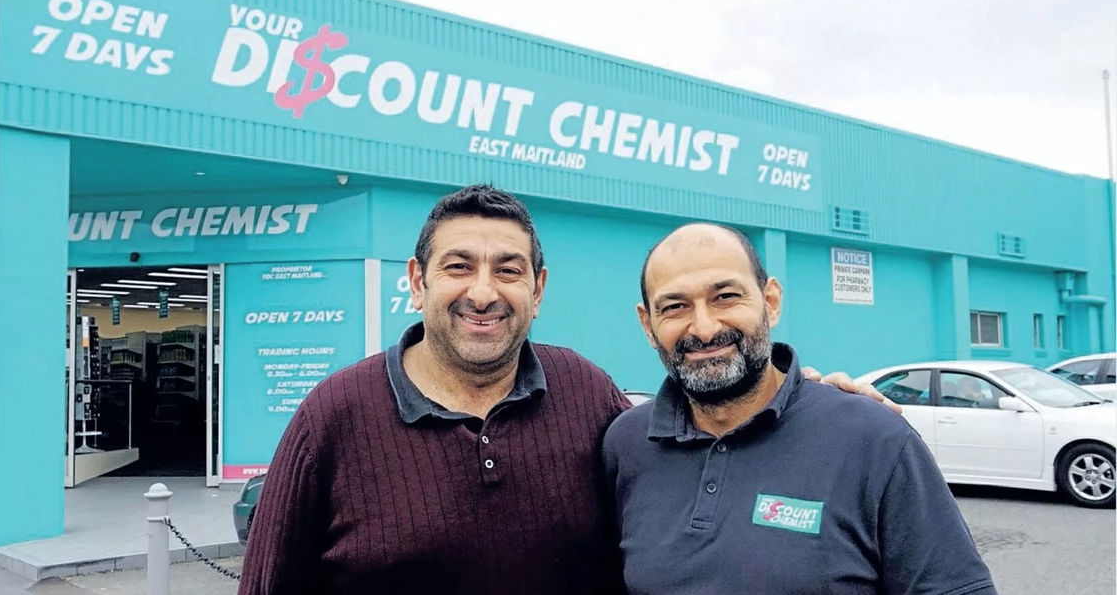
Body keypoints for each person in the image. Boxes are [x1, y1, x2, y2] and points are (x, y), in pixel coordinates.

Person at [239, 185, 891, 595]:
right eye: (459, 266)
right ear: (417, 281)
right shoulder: (332, 417)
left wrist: (801, 399)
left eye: (509, 269)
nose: (483, 292)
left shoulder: (586, 393)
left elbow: (691, 451)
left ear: (539, 288)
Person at [603, 223, 996, 594]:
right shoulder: (626, 445)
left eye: (726, 297)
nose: (704, 329)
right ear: (648, 325)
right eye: (675, 306)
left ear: (770, 302)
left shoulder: (876, 440)